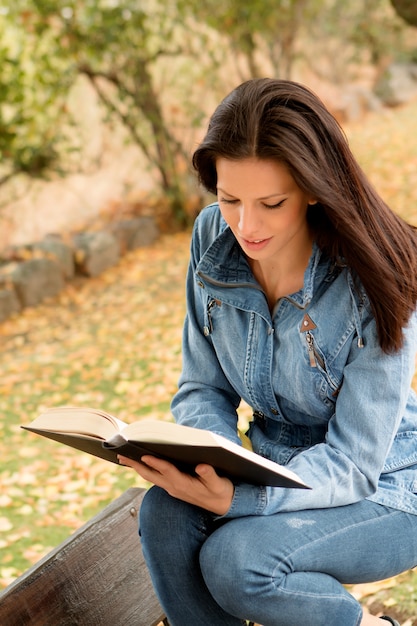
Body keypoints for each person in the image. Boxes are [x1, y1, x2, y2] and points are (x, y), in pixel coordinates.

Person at [119, 78, 417, 626]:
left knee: (240, 562)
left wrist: (238, 501)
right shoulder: (212, 237)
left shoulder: (379, 276)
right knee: (166, 512)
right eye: (229, 198)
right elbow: (202, 386)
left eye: (271, 203)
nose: (246, 225)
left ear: (312, 188)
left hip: (385, 484)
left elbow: (353, 464)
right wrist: (202, 457)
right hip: (266, 467)